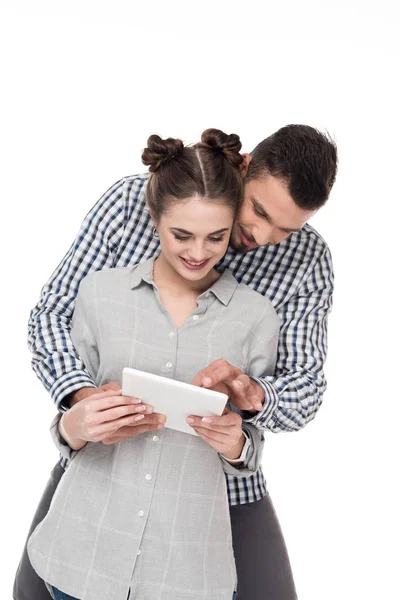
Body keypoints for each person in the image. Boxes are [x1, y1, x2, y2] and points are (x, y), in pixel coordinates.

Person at [14, 124, 338, 600]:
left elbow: (305, 388)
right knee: (37, 586)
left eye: (286, 230)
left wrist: (255, 394)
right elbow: (53, 314)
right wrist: (84, 402)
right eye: (260, 211)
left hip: (219, 480)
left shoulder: (306, 262)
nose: (262, 236)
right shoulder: (135, 203)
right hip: (112, 458)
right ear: (244, 165)